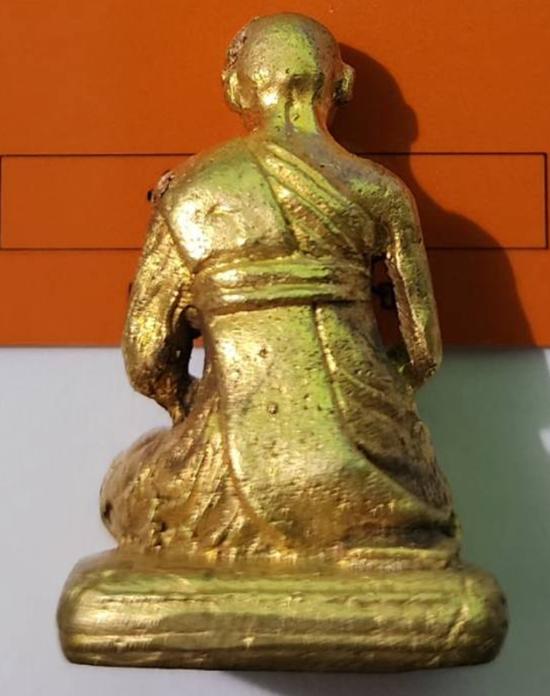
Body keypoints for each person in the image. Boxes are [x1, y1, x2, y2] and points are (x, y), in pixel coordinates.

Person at [101, 13, 456, 562]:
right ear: (343, 84)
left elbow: (146, 361)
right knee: (423, 496)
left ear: (233, 88)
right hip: (372, 468)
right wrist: (382, 401)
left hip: (222, 473)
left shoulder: (191, 192)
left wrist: (194, 408)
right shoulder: (381, 193)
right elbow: (424, 353)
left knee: (123, 489)